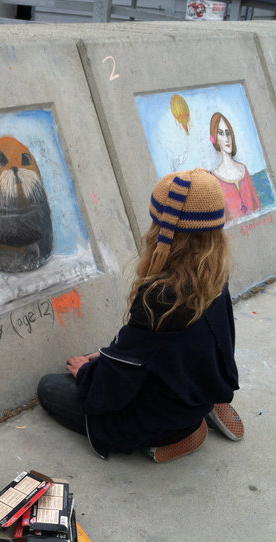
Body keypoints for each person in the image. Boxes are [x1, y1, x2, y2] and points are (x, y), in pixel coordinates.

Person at [37, 168, 243, 462]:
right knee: (106, 357)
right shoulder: (213, 272)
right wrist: (104, 357)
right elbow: (165, 347)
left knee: (48, 387)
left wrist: (86, 372)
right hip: (199, 385)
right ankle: (203, 405)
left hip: (165, 416)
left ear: (165, 231)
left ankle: (175, 436)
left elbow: (117, 381)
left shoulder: (162, 295)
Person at [208, 112, 260, 223]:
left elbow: (257, 207)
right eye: (221, 133)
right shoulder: (213, 178)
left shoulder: (243, 169)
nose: (226, 138)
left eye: (228, 133)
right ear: (214, 138)